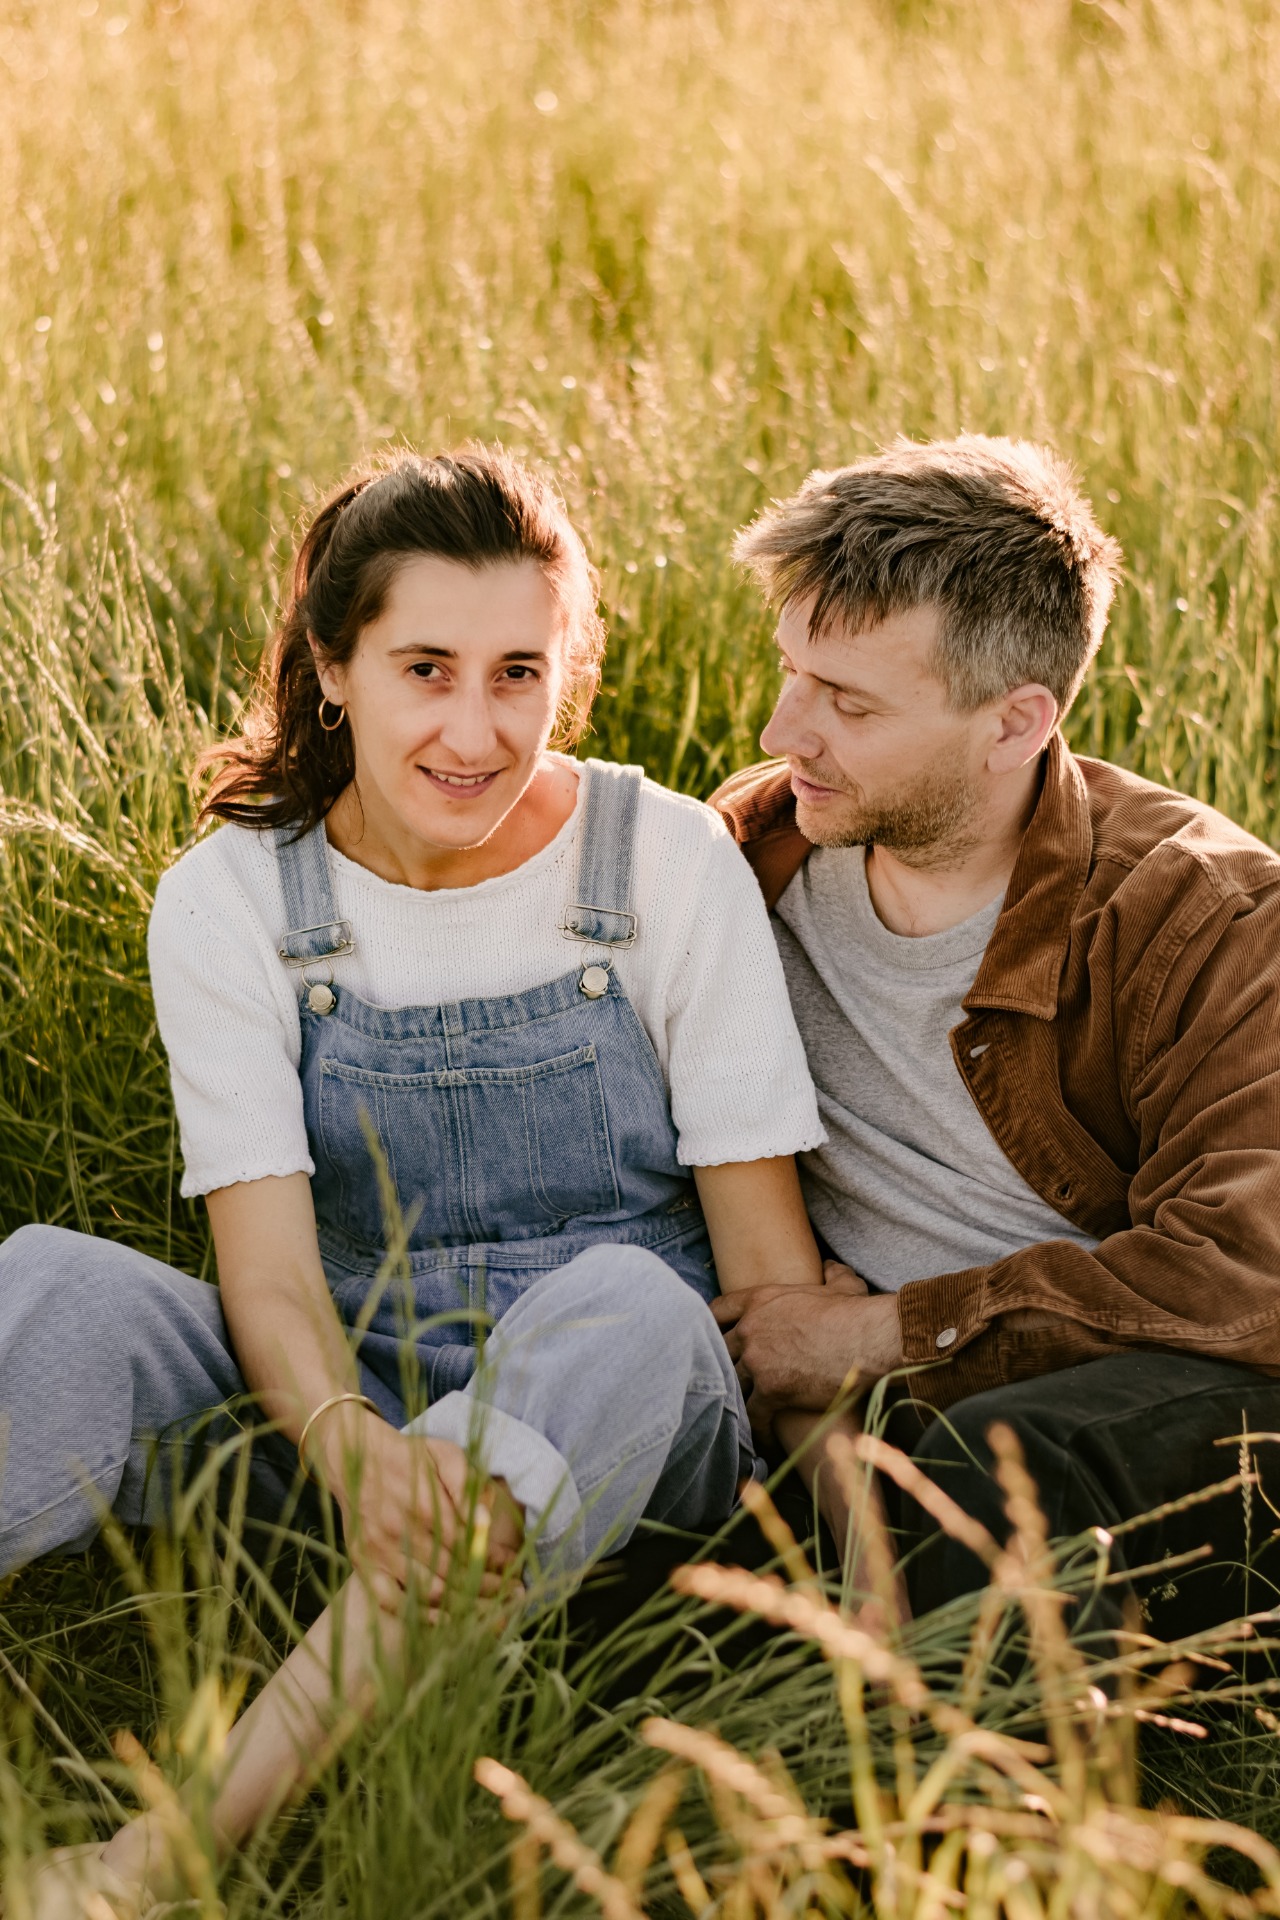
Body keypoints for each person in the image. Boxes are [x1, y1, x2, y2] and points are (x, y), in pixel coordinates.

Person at [7, 445, 836, 1911]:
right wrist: (354, 1455)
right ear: (336, 666)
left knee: (634, 1303)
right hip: (341, 1418)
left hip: (622, 1458)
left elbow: (766, 1281)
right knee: (45, 1285)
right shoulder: (235, 899)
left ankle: (166, 1856)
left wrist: (841, 1534)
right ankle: (383, 1588)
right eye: (427, 669)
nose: (476, 727)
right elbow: (262, 1272)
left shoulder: (664, 861)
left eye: (521, 671)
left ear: (568, 668)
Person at [710, 432, 1280, 1641]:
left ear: (1014, 722)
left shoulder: (1200, 919)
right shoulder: (738, 862)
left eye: (847, 704)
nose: (779, 731)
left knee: (1004, 1463)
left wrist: (885, 1336)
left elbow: (1246, 1270)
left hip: (1136, 1407)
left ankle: (994, 1822)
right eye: (790, 673)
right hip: (839, 1414)